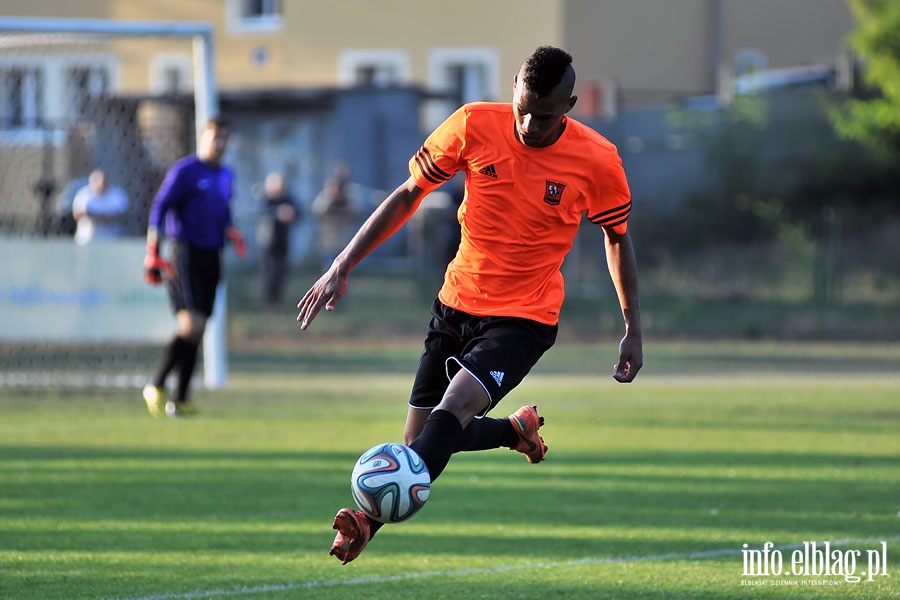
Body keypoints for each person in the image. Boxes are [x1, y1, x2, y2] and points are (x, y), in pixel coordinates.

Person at [296, 46, 643, 564]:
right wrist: (342, 263)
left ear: (568, 106)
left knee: (450, 413)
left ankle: (367, 521)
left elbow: (617, 238)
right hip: (455, 303)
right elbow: (409, 193)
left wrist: (632, 327)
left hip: (525, 317)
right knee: (424, 440)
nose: (528, 123)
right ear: (514, 91)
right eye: (522, 106)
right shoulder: (473, 125)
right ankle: (514, 430)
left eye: (544, 115)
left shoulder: (596, 159)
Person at [141, 115, 247, 418]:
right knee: (192, 325)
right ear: (202, 138)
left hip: (212, 254)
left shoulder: (226, 175)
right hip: (185, 252)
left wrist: (232, 231)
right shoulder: (186, 171)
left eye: (224, 138)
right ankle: (156, 384)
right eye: (215, 137)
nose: (220, 144)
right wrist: (153, 250)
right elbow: (160, 207)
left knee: (199, 330)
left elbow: (223, 211)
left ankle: (180, 400)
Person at [257, 171, 301, 304]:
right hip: (268, 241)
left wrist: (291, 213)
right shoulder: (266, 198)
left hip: (283, 240)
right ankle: (269, 297)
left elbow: (299, 212)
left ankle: (277, 297)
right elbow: (263, 211)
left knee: (281, 270)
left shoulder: (288, 198)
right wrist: (278, 213)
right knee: (269, 270)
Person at [310, 163, 364, 270]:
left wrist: (345, 204)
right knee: (329, 271)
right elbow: (317, 209)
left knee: (344, 271)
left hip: (346, 241)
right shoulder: (327, 193)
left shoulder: (350, 193)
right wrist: (330, 198)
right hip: (329, 241)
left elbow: (358, 210)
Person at [71, 168, 130, 245]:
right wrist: (100, 215)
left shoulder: (117, 195)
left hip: (110, 240)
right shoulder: (84, 194)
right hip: (86, 239)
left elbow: (122, 215)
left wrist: (93, 214)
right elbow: (76, 214)